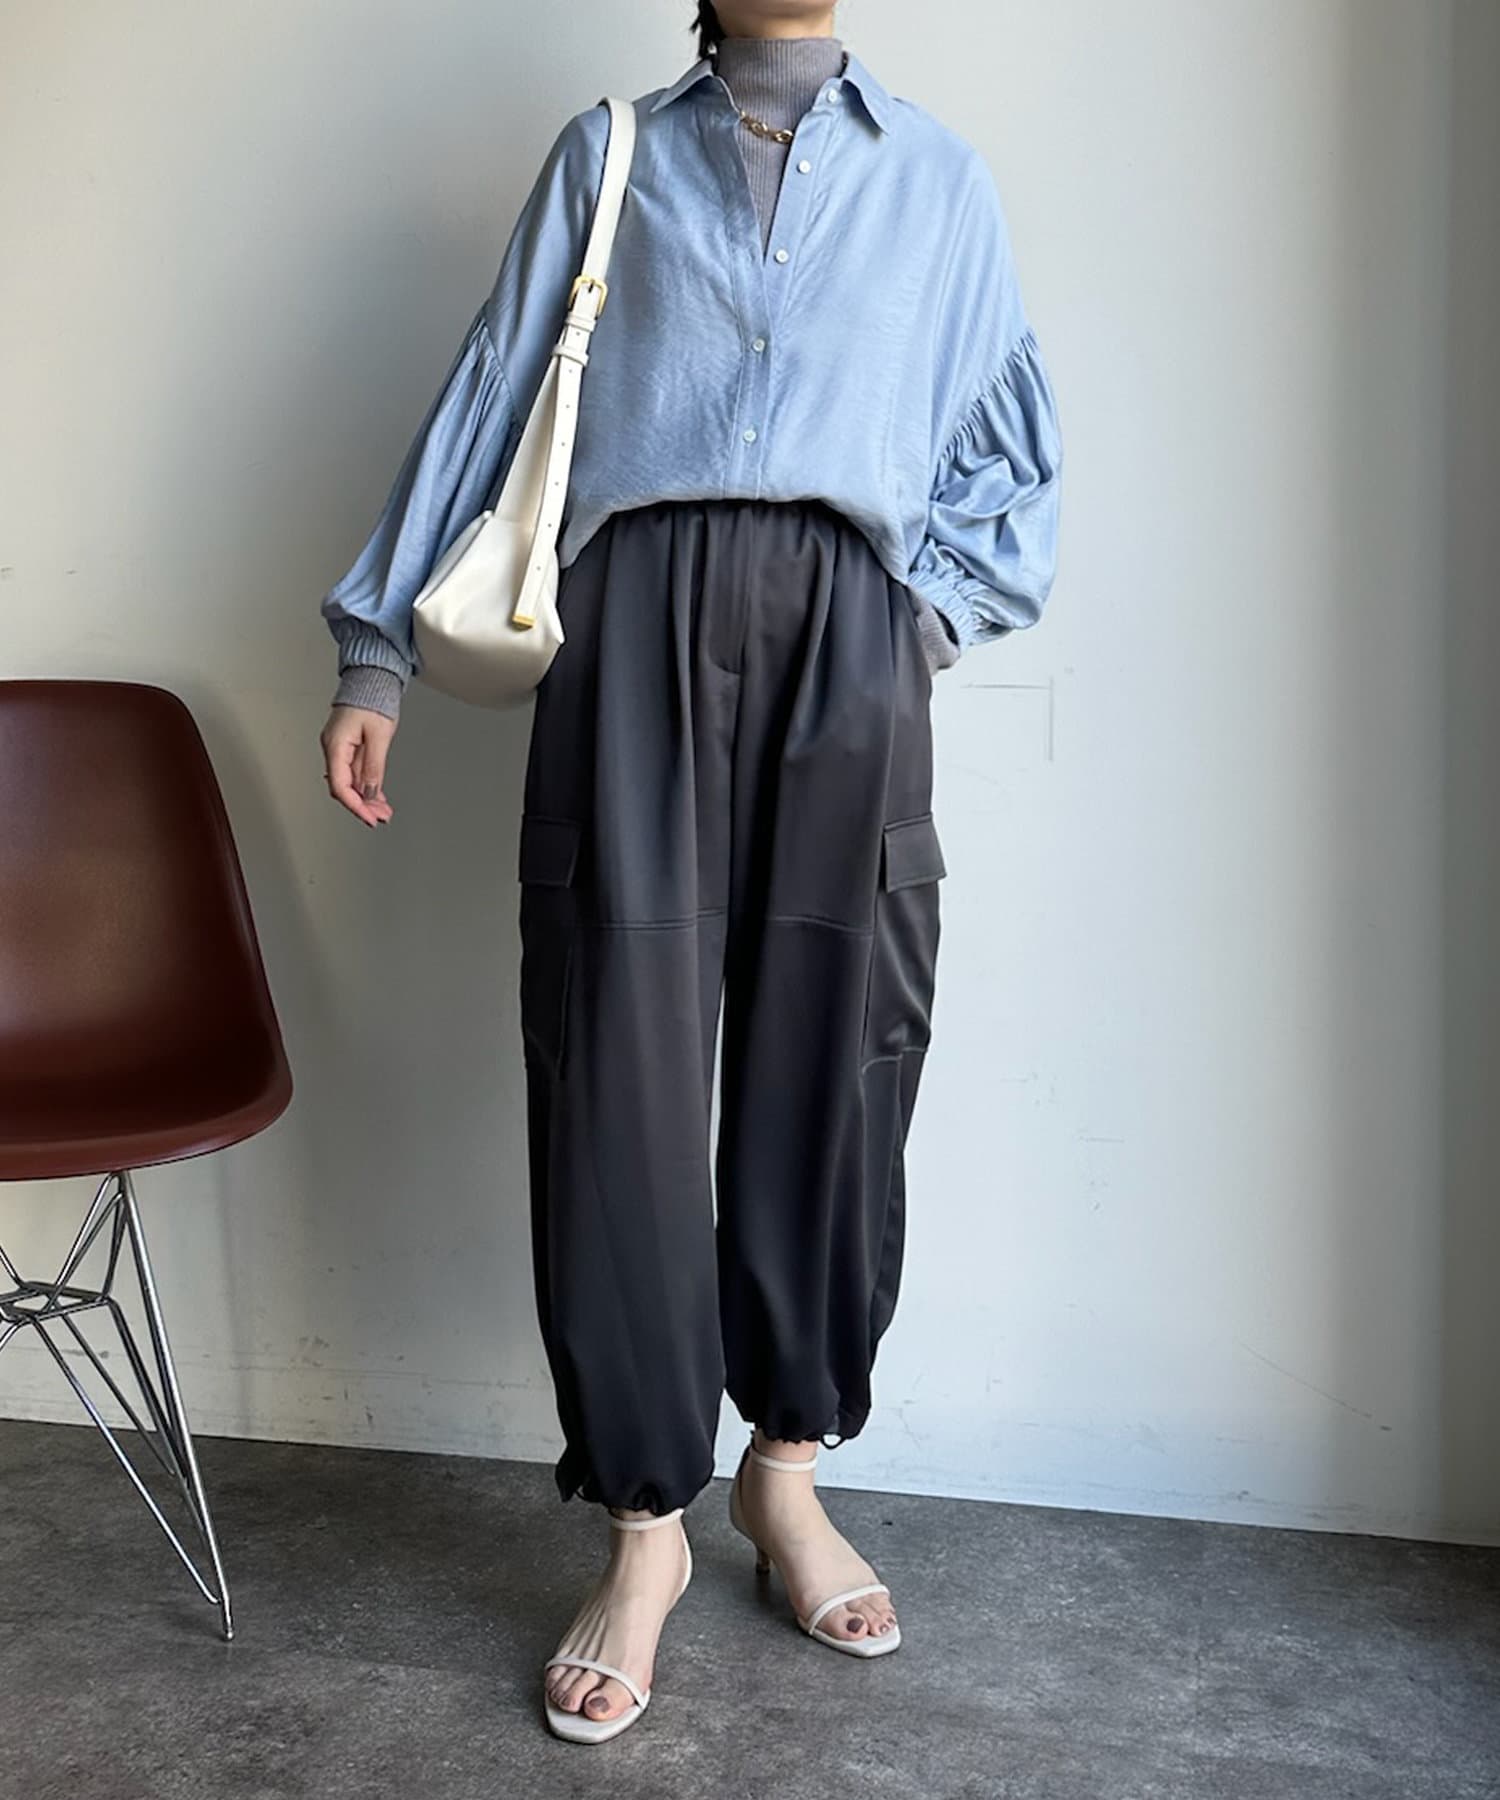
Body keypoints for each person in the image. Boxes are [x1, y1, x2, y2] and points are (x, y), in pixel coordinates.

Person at [316, 0, 1062, 1746]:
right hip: (629, 627)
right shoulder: (612, 155)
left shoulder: (940, 182)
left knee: (840, 1056)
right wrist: (376, 652)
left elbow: (1010, 448)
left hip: (851, 640)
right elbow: (495, 390)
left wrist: (915, 623)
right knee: (616, 1065)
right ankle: (645, 1524)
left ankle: (785, 1474)